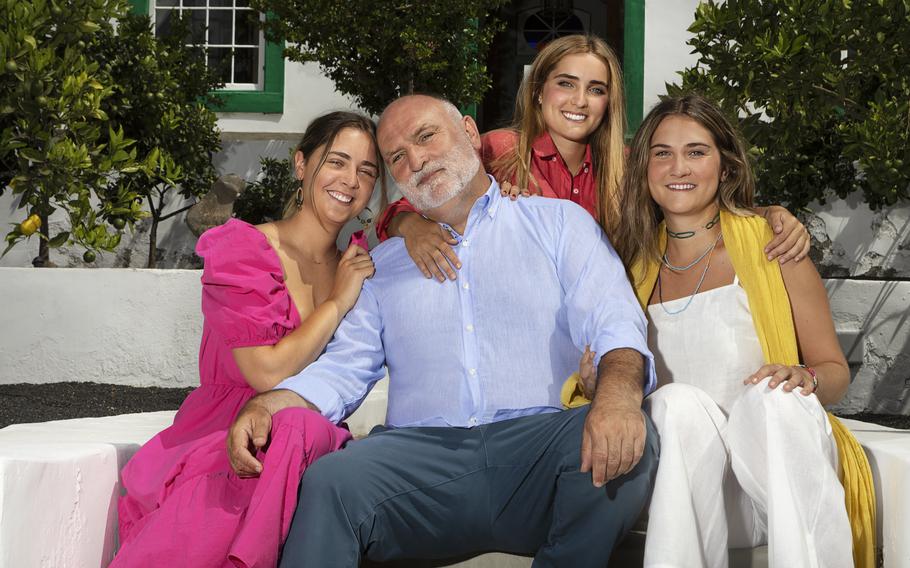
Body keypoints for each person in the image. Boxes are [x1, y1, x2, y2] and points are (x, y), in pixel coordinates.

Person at [227, 94, 659, 567]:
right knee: (332, 482)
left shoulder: (558, 225)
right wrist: (269, 403)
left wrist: (618, 398)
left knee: (630, 441)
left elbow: (614, 319)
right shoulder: (383, 268)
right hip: (422, 466)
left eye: (426, 135)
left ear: (471, 134)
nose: (416, 159)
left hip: (538, 451)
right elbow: (343, 369)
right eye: (396, 157)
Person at [573, 94, 863, 567]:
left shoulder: (772, 247)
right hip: (685, 491)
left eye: (696, 151)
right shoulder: (628, 273)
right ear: (644, 168)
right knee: (673, 401)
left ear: (725, 167)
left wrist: (803, 379)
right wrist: (597, 385)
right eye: (662, 153)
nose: (677, 167)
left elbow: (834, 371)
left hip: (777, 482)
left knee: (774, 396)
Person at [112, 111, 387, 567]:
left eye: (366, 171)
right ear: (301, 165)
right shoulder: (244, 251)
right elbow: (266, 372)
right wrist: (336, 303)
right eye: (337, 162)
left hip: (302, 438)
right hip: (221, 431)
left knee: (306, 431)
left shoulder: (358, 266)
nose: (350, 180)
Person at [374, 34, 810, 282]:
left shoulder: (626, 163)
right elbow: (417, 193)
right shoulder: (498, 149)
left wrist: (769, 212)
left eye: (596, 89)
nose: (580, 101)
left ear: (608, 101)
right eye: (566, 83)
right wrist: (410, 226)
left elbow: (692, 204)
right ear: (540, 89)